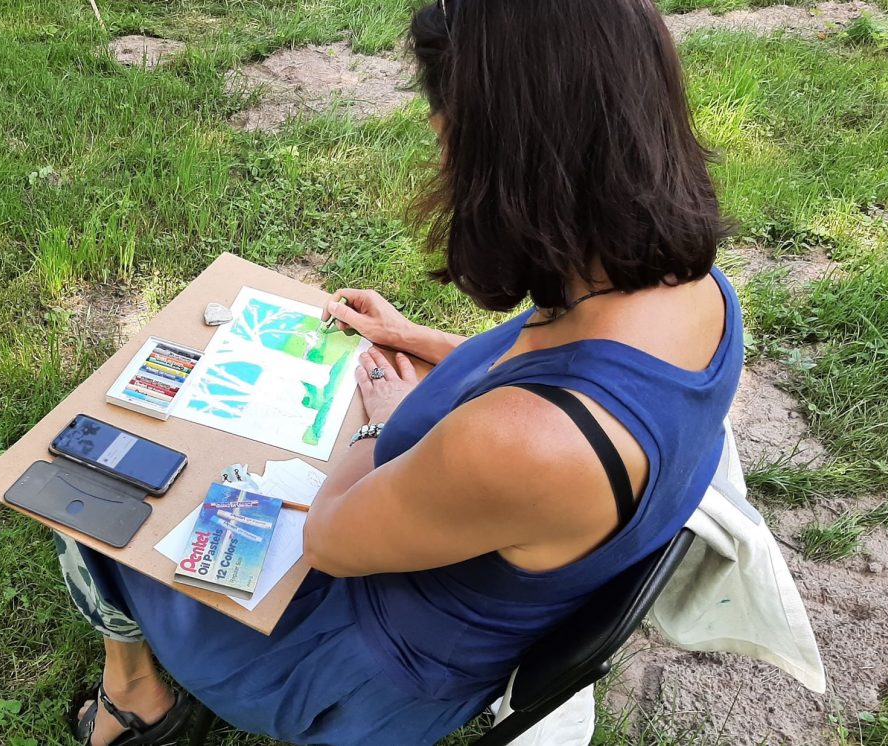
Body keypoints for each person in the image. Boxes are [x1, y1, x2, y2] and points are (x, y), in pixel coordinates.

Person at [55, 0, 744, 744]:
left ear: (504, 154)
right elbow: (551, 365)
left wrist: (379, 426)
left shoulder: (526, 444)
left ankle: (133, 699)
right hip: (458, 586)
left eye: (444, 130)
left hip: (348, 671)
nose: (439, 155)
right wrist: (411, 338)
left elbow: (328, 539)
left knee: (84, 480)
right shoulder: (696, 293)